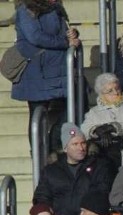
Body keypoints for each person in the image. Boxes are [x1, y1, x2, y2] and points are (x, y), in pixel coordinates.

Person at [11, 0, 80, 150]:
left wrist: (72, 34)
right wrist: (65, 42)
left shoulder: (56, 7)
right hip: (37, 71)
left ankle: (52, 145)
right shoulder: (26, 9)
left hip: (59, 69)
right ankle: (40, 156)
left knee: (78, 105)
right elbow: (35, 37)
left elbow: (62, 32)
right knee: (37, 116)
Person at [32, 123, 116, 215]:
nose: (81, 148)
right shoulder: (51, 171)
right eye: (75, 144)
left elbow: (101, 193)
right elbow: (42, 198)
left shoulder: (99, 166)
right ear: (65, 148)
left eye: (83, 143)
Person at [81, 72, 123, 165]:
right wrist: (97, 130)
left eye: (117, 88)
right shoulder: (93, 112)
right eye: (110, 91)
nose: (115, 92)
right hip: (101, 154)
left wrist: (113, 127)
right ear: (101, 94)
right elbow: (85, 128)